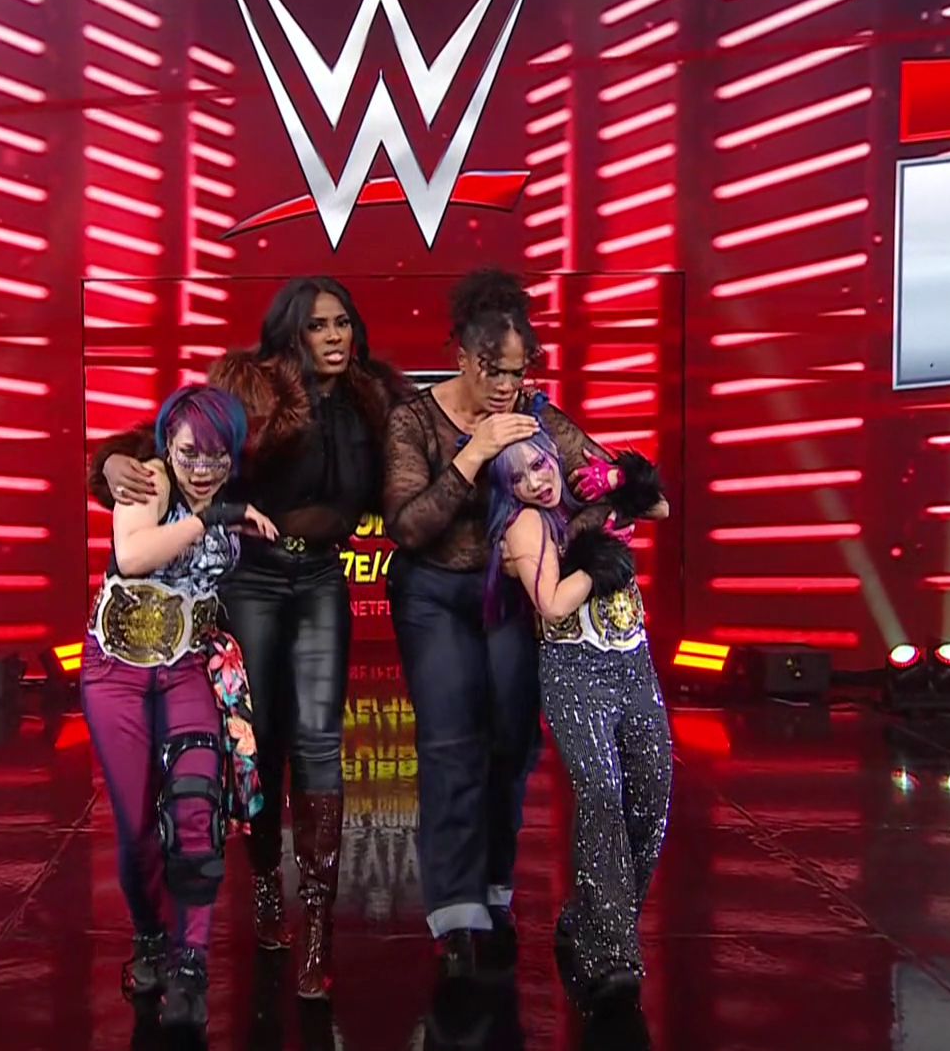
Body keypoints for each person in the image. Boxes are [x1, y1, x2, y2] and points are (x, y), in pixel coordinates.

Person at [93, 277, 409, 999]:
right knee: (258, 740)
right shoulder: (251, 389)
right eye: (319, 325)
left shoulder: (375, 400)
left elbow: (422, 451)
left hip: (322, 575)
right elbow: (173, 443)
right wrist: (111, 463)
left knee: (321, 742)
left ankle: (317, 927)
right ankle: (268, 889)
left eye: (342, 323)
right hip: (254, 578)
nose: (335, 337)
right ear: (292, 331)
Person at [380, 267, 625, 978]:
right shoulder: (414, 420)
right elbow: (408, 526)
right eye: (494, 370)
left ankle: (493, 886)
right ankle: (454, 911)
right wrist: (477, 452)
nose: (506, 386)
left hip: (510, 595)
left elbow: (608, 484)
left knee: (513, 741)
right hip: (434, 593)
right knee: (451, 742)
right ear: (462, 356)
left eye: (518, 372)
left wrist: (558, 538)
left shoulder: (537, 416)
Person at [83, 385, 277, 1032]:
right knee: (138, 828)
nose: (203, 468)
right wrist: (212, 517)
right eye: (191, 452)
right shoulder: (151, 481)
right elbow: (133, 556)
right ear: (169, 444)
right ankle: (150, 938)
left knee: (197, 809)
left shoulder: (230, 491)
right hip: (117, 675)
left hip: (187, 669)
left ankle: (192, 961)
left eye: (217, 456)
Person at [484, 430, 672, 1018]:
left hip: (634, 665)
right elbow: (552, 603)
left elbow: (660, 507)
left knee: (653, 793)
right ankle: (612, 953)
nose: (536, 481)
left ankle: (592, 915)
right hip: (576, 674)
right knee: (602, 794)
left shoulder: (583, 496)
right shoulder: (526, 525)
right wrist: (599, 559)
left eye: (540, 465)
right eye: (519, 477)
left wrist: (621, 480)